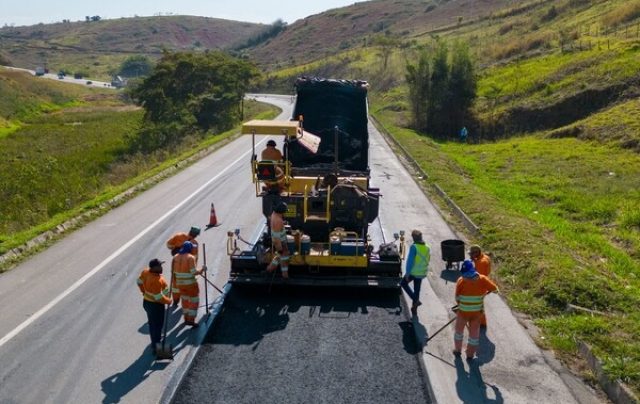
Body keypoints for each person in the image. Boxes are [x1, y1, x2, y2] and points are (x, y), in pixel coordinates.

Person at [453, 259, 498, 361]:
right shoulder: (483, 279)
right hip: (476, 313)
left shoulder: (461, 280)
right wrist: (492, 290)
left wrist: (460, 305)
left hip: (463, 312)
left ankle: (457, 350)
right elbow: (495, 289)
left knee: (458, 332)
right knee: (474, 336)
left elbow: (457, 297)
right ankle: (470, 355)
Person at [137, 258, 172, 355]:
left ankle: (155, 343)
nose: (161, 267)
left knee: (153, 324)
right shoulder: (156, 280)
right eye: (160, 265)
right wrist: (168, 301)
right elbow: (158, 298)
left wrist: (143, 291)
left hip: (147, 303)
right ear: (154, 267)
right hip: (155, 306)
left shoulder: (145, 272)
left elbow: (139, 282)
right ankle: (157, 347)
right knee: (157, 326)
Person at [172, 241, 206, 327]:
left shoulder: (175, 257)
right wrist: (202, 269)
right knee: (194, 301)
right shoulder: (190, 257)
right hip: (191, 284)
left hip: (180, 285)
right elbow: (193, 272)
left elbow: (173, 272)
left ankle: (186, 319)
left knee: (185, 300)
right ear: (189, 249)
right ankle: (191, 320)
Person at [166, 226, 200, 305]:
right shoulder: (194, 243)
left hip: (176, 262)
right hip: (187, 266)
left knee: (175, 283)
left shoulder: (179, 236)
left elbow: (168, 245)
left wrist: (176, 249)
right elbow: (195, 257)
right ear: (196, 235)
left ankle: (176, 300)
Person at [400, 230, 431, 315]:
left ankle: (415, 300)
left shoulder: (414, 247)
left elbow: (410, 262)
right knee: (417, 290)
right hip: (422, 273)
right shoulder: (427, 247)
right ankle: (414, 310)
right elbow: (428, 259)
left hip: (413, 272)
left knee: (403, 283)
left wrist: (407, 273)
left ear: (413, 238)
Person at [469, 244, 492, 327]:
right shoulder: (484, 257)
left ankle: (482, 323)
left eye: (471, 254)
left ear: (476, 253)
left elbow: (479, 277)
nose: (470, 256)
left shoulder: (481, 263)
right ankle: (479, 321)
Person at [266, 201, 290, 279]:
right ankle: (284, 275)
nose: (285, 214)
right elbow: (277, 238)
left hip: (279, 241)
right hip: (280, 242)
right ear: (281, 212)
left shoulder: (274, 214)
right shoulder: (278, 221)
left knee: (280, 256)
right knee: (284, 257)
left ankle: (270, 269)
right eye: (284, 212)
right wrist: (280, 248)